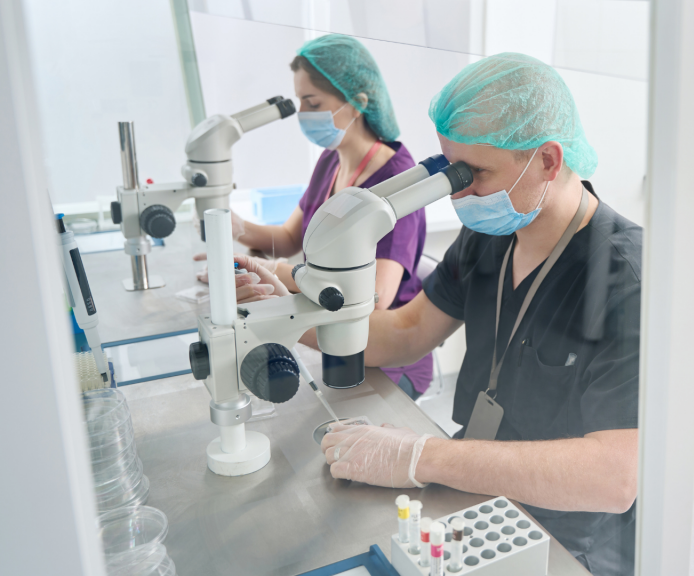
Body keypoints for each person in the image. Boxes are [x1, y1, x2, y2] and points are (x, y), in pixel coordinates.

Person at [314, 53, 642, 576]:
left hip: (570, 538)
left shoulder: (628, 279)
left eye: (475, 173)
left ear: (549, 162)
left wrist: (420, 457)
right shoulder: (489, 239)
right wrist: (290, 314)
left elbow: (614, 476)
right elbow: (406, 331)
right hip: (476, 493)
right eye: (450, 171)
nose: (458, 192)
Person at [200, 34, 433, 400]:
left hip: (381, 355)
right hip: (332, 336)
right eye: (300, 102)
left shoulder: (396, 182)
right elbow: (291, 238)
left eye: (312, 102)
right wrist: (235, 228)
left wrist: (280, 277)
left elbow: (374, 299)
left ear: (357, 102)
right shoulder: (331, 161)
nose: (303, 114)